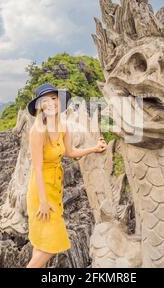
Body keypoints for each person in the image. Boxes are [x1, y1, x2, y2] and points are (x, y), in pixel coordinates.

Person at [25, 83, 107, 268]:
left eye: (54, 98)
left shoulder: (63, 127)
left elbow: (70, 152)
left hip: (55, 188)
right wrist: (44, 202)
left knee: (41, 244)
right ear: (40, 106)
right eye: (45, 100)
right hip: (40, 192)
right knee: (51, 246)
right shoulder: (38, 131)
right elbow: (37, 168)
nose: (51, 103)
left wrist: (94, 148)